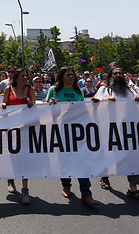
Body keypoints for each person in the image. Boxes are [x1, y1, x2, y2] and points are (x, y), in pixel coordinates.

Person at [92, 66, 139, 203]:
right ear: (110, 76)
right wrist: (104, 99)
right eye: (115, 73)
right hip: (110, 130)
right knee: (109, 156)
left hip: (129, 131)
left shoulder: (131, 90)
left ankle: (133, 189)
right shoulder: (104, 90)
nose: (119, 75)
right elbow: (93, 104)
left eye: (120, 73)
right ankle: (104, 176)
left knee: (133, 157)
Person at [45, 67, 98, 206]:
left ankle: (86, 194)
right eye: (68, 74)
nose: (71, 76)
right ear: (62, 77)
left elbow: (83, 110)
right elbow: (45, 108)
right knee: (65, 160)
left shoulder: (78, 91)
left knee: (82, 161)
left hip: (77, 131)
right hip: (61, 131)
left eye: (72, 74)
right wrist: (49, 104)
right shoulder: (54, 90)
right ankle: (66, 185)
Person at [0, 69, 35, 204]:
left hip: (26, 130)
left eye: (26, 75)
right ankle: (11, 179)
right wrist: (3, 105)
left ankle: (25, 189)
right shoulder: (9, 89)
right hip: (11, 129)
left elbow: (35, 108)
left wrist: (32, 104)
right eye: (22, 76)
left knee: (25, 159)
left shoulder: (30, 90)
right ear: (16, 78)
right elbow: (4, 104)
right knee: (13, 157)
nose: (25, 77)